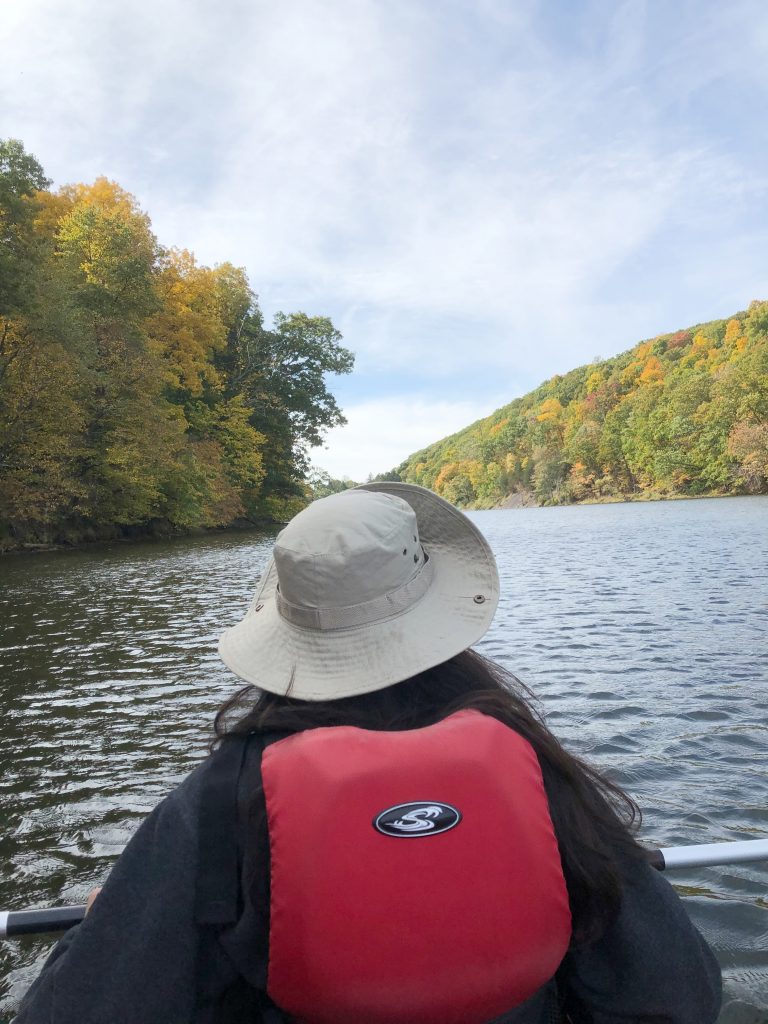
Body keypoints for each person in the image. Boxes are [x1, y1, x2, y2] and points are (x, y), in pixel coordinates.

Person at [15, 483, 722, 1024]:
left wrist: (117, 919)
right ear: (439, 613)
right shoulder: (534, 773)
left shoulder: (225, 798)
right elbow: (677, 993)